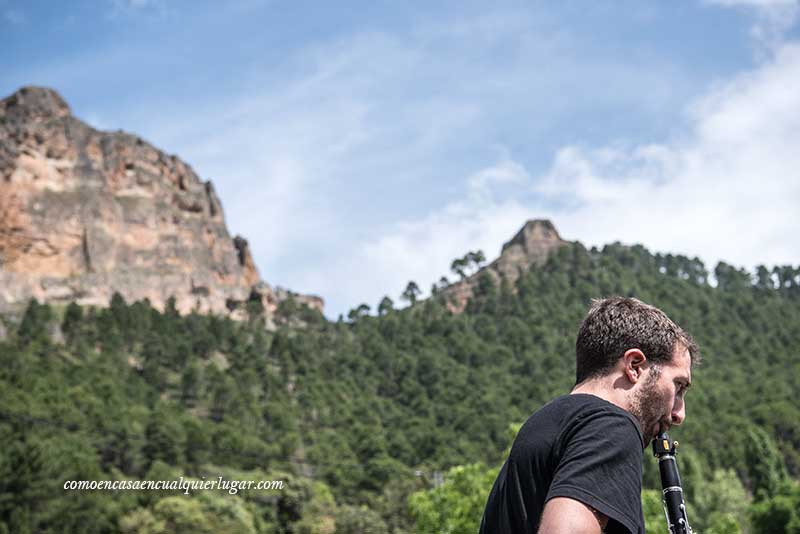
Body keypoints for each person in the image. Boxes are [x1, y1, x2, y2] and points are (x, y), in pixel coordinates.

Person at [480, 296, 699, 534]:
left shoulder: (542, 426)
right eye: (678, 386)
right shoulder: (611, 427)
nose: (679, 414)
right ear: (634, 366)